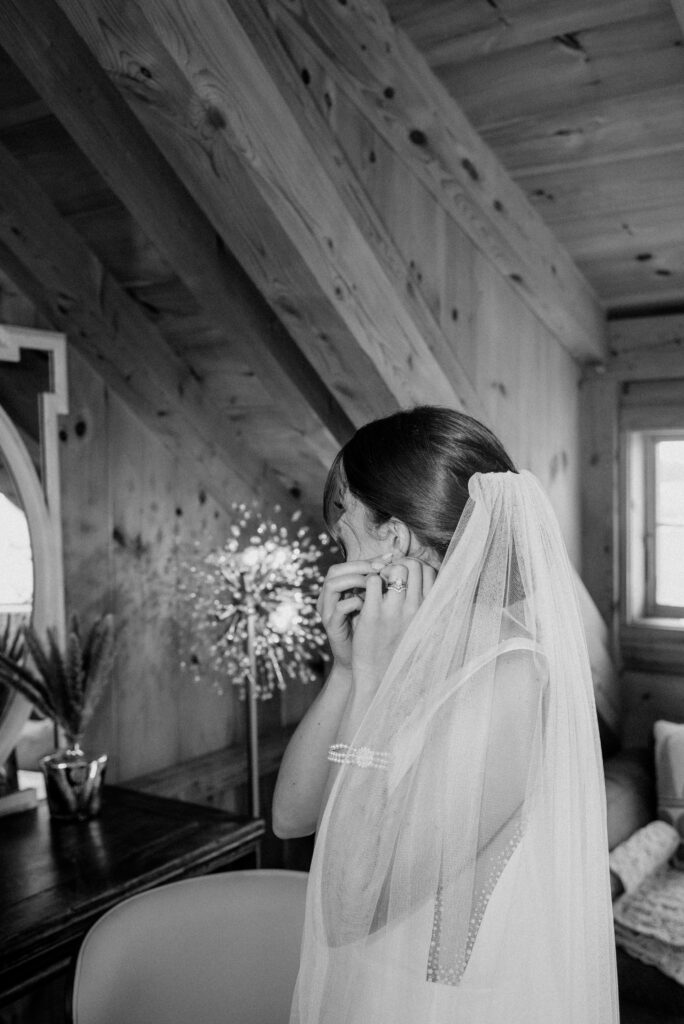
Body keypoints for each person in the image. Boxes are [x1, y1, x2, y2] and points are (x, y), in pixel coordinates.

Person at [273, 406, 618, 1024]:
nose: (336, 554)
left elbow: (349, 908)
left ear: (396, 539)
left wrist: (374, 679)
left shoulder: (512, 680)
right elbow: (291, 818)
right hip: (378, 989)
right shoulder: (407, 657)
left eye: (344, 532)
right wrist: (348, 673)